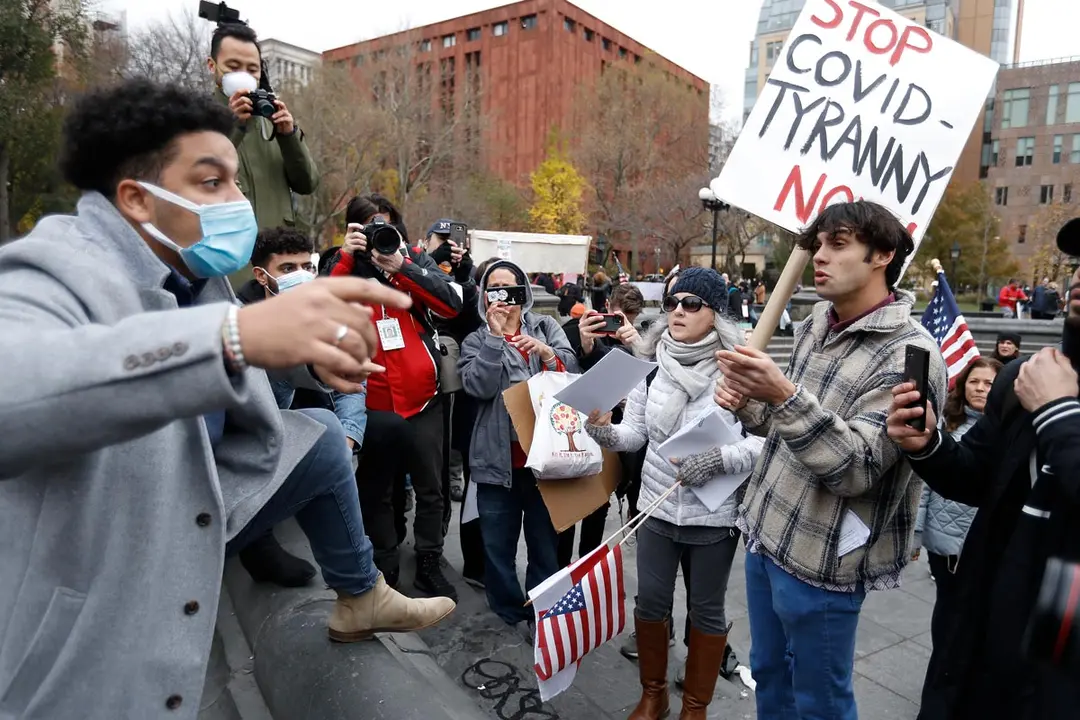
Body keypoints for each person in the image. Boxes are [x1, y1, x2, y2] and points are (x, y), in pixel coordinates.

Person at [0, 79, 455, 719]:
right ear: (135, 198)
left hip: (194, 499)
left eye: (237, 182)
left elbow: (234, 387)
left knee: (322, 436)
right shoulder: (50, 266)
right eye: (213, 183)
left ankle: (361, 595)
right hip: (85, 617)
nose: (239, 202)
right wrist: (234, 334)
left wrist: (308, 359)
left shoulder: (198, 274)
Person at [714, 201, 948, 720]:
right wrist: (749, 400)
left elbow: (856, 468)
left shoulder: (911, 355)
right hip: (765, 532)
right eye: (818, 243)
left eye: (837, 244)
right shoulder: (818, 321)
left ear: (882, 255)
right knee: (769, 673)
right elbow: (782, 429)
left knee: (820, 698)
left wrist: (780, 394)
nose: (819, 256)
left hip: (824, 562)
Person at [886, 260, 1080, 719]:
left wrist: (1057, 412)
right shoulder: (1027, 378)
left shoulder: (1049, 394)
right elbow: (976, 475)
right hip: (989, 617)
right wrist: (929, 445)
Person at [585, 267, 763, 720]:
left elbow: (766, 441)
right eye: (671, 303)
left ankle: (695, 707)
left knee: (706, 612)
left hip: (714, 515)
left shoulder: (742, 368)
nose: (678, 312)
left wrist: (721, 460)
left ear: (716, 313)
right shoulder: (652, 366)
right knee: (649, 605)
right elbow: (635, 435)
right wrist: (602, 430)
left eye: (691, 303)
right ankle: (654, 695)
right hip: (656, 510)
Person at [330, 195, 463, 599]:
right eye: (368, 227)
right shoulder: (343, 264)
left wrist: (401, 266)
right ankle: (385, 566)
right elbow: (321, 312)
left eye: (384, 226)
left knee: (430, 488)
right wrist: (346, 259)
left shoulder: (411, 261)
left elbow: (451, 305)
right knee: (380, 492)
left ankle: (428, 560)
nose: (377, 235)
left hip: (424, 400)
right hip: (375, 404)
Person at [458, 259, 577, 631]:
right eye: (494, 289)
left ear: (523, 292)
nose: (503, 298)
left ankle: (543, 613)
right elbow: (476, 386)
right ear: (484, 295)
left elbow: (572, 376)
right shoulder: (476, 339)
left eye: (510, 289)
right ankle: (509, 611)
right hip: (496, 463)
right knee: (497, 548)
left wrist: (544, 353)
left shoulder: (545, 326)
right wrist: (495, 340)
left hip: (545, 462)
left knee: (545, 546)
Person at [912, 358, 1002, 652]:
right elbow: (924, 485)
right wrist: (916, 533)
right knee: (949, 610)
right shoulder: (945, 424)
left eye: (989, 383)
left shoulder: (1008, 431)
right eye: (974, 382)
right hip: (946, 543)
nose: (981, 389)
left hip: (985, 544)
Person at [558, 284, 645, 568]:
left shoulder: (640, 341)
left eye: (633, 316)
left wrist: (636, 346)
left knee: (597, 513)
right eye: (620, 317)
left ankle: (585, 576)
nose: (625, 324)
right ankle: (561, 573)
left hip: (613, 439)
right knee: (567, 516)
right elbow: (563, 375)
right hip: (574, 435)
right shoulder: (577, 329)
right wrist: (586, 345)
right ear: (607, 307)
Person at [207, 23, 317, 230]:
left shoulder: (272, 118)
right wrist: (234, 126)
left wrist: (289, 136)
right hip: (232, 252)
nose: (244, 75)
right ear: (212, 66)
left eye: (252, 69)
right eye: (233, 66)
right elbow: (203, 175)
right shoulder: (199, 119)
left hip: (278, 250)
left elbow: (307, 183)